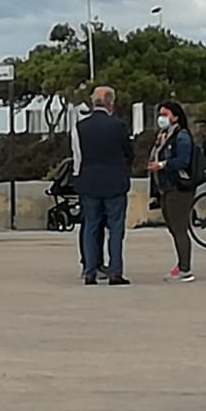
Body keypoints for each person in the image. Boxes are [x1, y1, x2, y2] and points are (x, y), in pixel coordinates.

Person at [74, 86, 133, 286]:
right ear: (111, 103)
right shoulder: (118, 125)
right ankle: (115, 272)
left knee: (91, 226)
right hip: (114, 182)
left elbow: (79, 155)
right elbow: (128, 152)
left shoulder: (82, 126)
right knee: (116, 228)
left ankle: (90, 271)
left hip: (89, 182)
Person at [147, 101, 195, 282]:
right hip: (165, 188)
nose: (162, 118)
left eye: (165, 114)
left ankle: (185, 267)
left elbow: (183, 161)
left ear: (175, 116)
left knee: (180, 227)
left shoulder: (181, 136)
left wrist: (161, 165)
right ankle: (181, 263)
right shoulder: (164, 135)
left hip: (178, 187)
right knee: (173, 227)